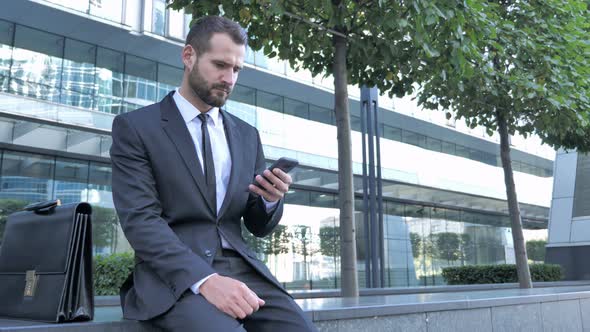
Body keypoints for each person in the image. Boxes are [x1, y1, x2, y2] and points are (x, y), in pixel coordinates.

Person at [110, 16, 317, 332]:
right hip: (172, 278)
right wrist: (204, 280)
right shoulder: (137, 128)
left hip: (243, 270)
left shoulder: (247, 135)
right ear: (189, 56)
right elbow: (140, 221)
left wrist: (270, 201)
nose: (229, 78)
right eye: (220, 65)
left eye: (236, 70)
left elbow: (256, 223)